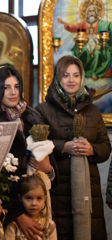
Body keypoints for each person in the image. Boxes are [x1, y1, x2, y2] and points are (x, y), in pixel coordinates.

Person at [0, 65, 56, 240]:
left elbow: (49, 160)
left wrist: (49, 169)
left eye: (16, 87)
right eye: (6, 87)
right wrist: (18, 214)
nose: (12, 92)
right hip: (6, 209)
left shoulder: (32, 117)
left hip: (36, 204)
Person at [35, 55, 111, 240]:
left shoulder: (92, 111)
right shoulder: (44, 110)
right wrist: (64, 147)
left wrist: (92, 149)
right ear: (58, 78)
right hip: (57, 188)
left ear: (81, 78)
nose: (71, 80)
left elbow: (105, 148)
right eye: (66, 75)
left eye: (76, 75)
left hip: (89, 191)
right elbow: (36, 148)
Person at [57, 4, 112, 79]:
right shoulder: (84, 23)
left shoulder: (101, 23)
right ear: (87, 13)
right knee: (84, 51)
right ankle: (86, 72)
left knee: (97, 53)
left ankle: (96, 73)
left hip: (98, 45)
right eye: (89, 11)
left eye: (93, 11)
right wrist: (64, 23)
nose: (91, 13)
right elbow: (74, 27)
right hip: (85, 44)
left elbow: (108, 27)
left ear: (96, 13)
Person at [4, 174, 57, 240]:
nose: (34, 203)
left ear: (45, 198)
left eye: (39, 198)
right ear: (20, 198)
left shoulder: (49, 225)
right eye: (28, 198)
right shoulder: (13, 225)